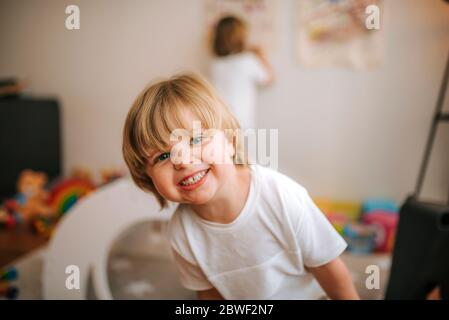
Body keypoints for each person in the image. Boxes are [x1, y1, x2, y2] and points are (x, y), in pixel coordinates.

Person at [122, 73, 359, 300]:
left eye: (195, 139)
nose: (182, 160)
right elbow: (209, 293)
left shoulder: (280, 196)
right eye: (163, 156)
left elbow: (328, 266)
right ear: (147, 177)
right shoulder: (181, 232)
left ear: (231, 142)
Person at [210, 16, 274, 129]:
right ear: (241, 38)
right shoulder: (247, 60)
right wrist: (261, 55)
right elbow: (269, 79)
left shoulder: (216, 63)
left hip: (220, 119)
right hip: (241, 120)